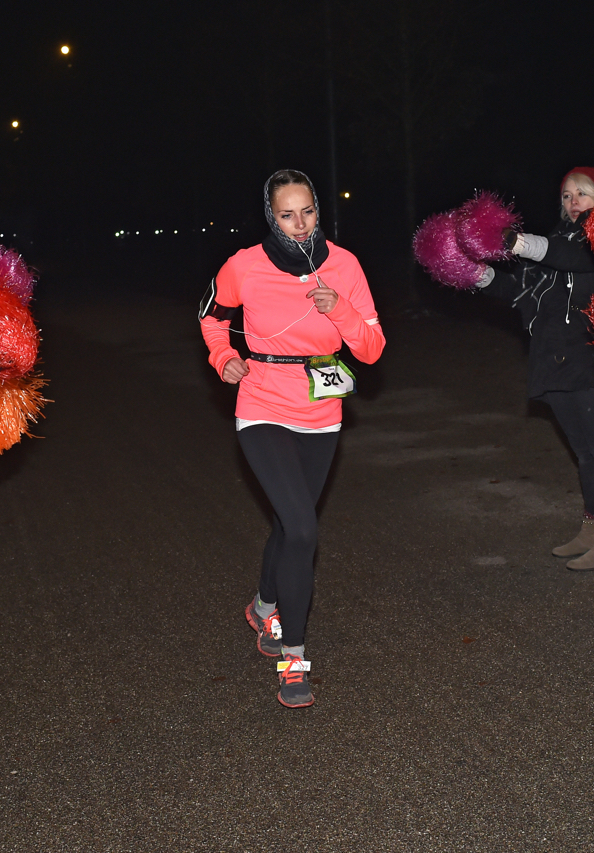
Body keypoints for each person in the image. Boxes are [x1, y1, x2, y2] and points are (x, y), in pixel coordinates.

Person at [200, 169, 385, 708]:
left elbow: (371, 349)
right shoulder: (244, 266)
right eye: (287, 214)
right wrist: (224, 357)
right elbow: (212, 317)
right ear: (270, 216)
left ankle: (263, 605)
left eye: (308, 212)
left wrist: (341, 309)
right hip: (260, 402)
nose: (300, 225)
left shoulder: (345, 265)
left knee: (290, 523)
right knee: (304, 527)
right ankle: (294, 657)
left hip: (321, 404)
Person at [475, 168, 594, 571]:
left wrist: (519, 242)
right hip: (553, 359)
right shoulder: (554, 241)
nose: (573, 200)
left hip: (589, 360)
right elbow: (520, 294)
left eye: (583, 192)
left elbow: (576, 259)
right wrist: (477, 273)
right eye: (566, 195)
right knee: (584, 454)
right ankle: (591, 527)